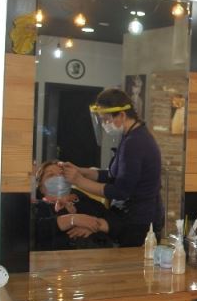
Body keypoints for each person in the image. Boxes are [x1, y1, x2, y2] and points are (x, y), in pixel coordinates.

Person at [62, 88, 164, 246]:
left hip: (139, 220)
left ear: (122, 115)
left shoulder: (135, 143)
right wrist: (81, 171)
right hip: (132, 215)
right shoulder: (130, 136)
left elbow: (120, 191)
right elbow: (112, 175)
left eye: (106, 119)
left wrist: (79, 181)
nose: (104, 124)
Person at [33, 160, 117, 250]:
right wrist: (72, 219)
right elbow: (35, 230)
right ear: (41, 188)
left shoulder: (82, 200)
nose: (57, 178)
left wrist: (95, 226)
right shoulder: (36, 207)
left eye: (61, 174)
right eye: (50, 175)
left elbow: (116, 223)